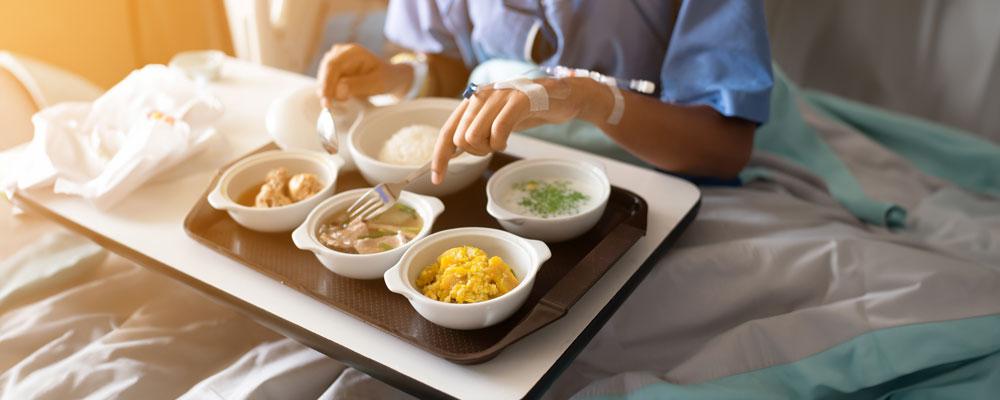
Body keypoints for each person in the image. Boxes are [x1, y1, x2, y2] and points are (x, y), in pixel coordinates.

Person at [317, 0, 773, 184]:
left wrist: (595, 100)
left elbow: (724, 148)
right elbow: (456, 66)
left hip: (657, 177)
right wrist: (399, 77)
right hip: (508, 175)